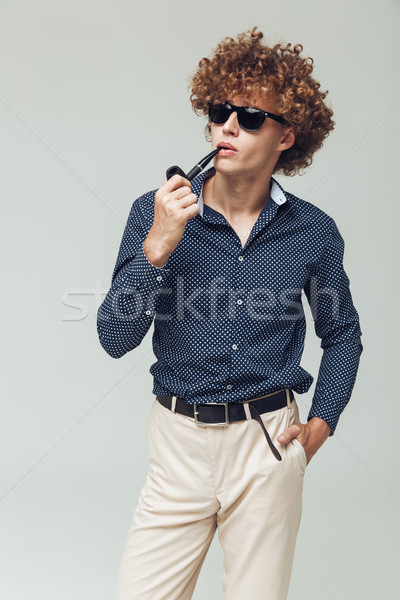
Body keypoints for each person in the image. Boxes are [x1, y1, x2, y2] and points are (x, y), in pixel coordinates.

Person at [97, 27, 363, 600]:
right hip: (178, 441)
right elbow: (115, 337)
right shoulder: (157, 211)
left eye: (250, 116)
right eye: (220, 111)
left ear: (288, 136)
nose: (229, 126)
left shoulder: (313, 232)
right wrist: (159, 246)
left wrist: (323, 422)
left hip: (268, 442)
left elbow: (342, 335)